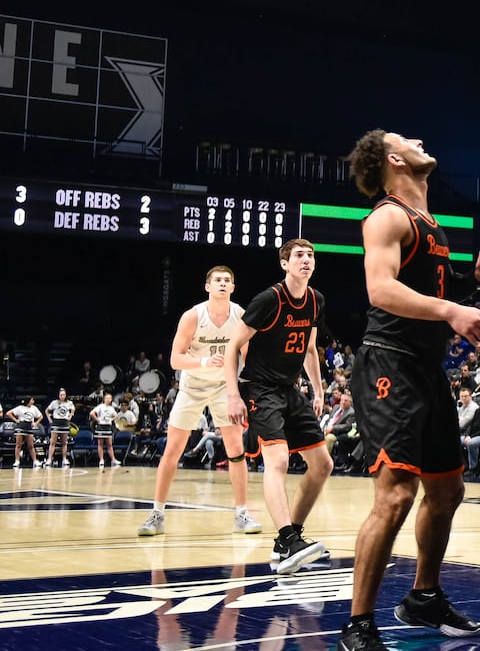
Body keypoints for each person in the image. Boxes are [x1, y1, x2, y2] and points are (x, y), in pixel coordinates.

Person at [337, 130, 480, 651]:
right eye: (406, 139)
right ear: (394, 159)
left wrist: (469, 284)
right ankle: (358, 626)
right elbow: (382, 290)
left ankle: (423, 598)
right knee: (395, 496)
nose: (419, 140)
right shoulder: (387, 216)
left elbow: (427, 291)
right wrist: (453, 310)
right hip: (389, 364)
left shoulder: (430, 224)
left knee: (447, 490)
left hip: (426, 369)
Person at [224, 240, 333, 575]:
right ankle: (287, 538)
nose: (307, 260)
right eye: (299, 255)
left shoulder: (315, 300)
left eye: (311, 255)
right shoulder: (269, 299)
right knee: (279, 459)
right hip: (259, 388)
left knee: (323, 464)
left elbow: (311, 349)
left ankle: (290, 539)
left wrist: (317, 390)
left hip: (289, 389)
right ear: (284, 263)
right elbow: (232, 348)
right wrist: (233, 394)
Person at [138, 266, 261, 537]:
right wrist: (203, 361)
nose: (222, 283)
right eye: (217, 280)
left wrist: (242, 391)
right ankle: (157, 513)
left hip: (223, 387)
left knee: (235, 449)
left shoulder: (240, 315)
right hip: (192, 386)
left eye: (227, 280)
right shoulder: (193, 316)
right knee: (173, 450)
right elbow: (175, 360)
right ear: (208, 286)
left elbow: (248, 357)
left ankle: (242, 513)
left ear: (233, 287)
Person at [6, 396, 43, 468]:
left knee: (31, 446)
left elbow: (41, 416)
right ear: (28, 401)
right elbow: (8, 413)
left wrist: (36, 423)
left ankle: (35, 461)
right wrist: (16, 420)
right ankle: (17, 461)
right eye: (32, 400)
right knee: (18, 445)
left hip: (29, 427)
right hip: (20, 427)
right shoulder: (20, 408)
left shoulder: (34, 408)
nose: (33, 401)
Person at [89, 393, 121, 468]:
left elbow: (116, 415)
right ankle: (101, 460)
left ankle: (113, 459)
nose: (108, 400)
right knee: (100, 444)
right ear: (104, 399)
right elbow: (92, 413)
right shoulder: (100, 406)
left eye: (109, 398)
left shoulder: (111, 408)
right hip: (101, 427)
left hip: (108, 427)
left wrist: (111, 420)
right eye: (106, 398)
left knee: (109, 445)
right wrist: (97, 420)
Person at [45, 388, 75, 467]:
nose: (62, 396)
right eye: (61, 395)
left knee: (64, 443)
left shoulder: (69, 403)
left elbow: (73, 409)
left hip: (64, 423)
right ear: (58, 395)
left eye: (64, 395)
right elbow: (47, 410)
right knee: (52, 443)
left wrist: (70, 416)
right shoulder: (54, 403)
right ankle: (49, 459)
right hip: (56, 423)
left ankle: (64, 459)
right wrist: (49, 419)